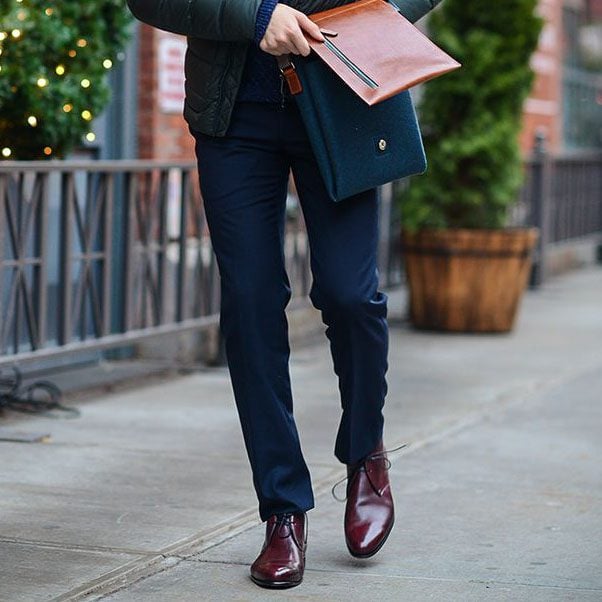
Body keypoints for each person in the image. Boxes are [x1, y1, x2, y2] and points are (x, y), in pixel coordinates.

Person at [127, 0, 441, 589]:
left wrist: (363, 18)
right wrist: (255, 16)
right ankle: (282, 510)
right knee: (249, 305)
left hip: (343, 98)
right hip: (235, 116)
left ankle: (366, 454)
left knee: (350, 294)